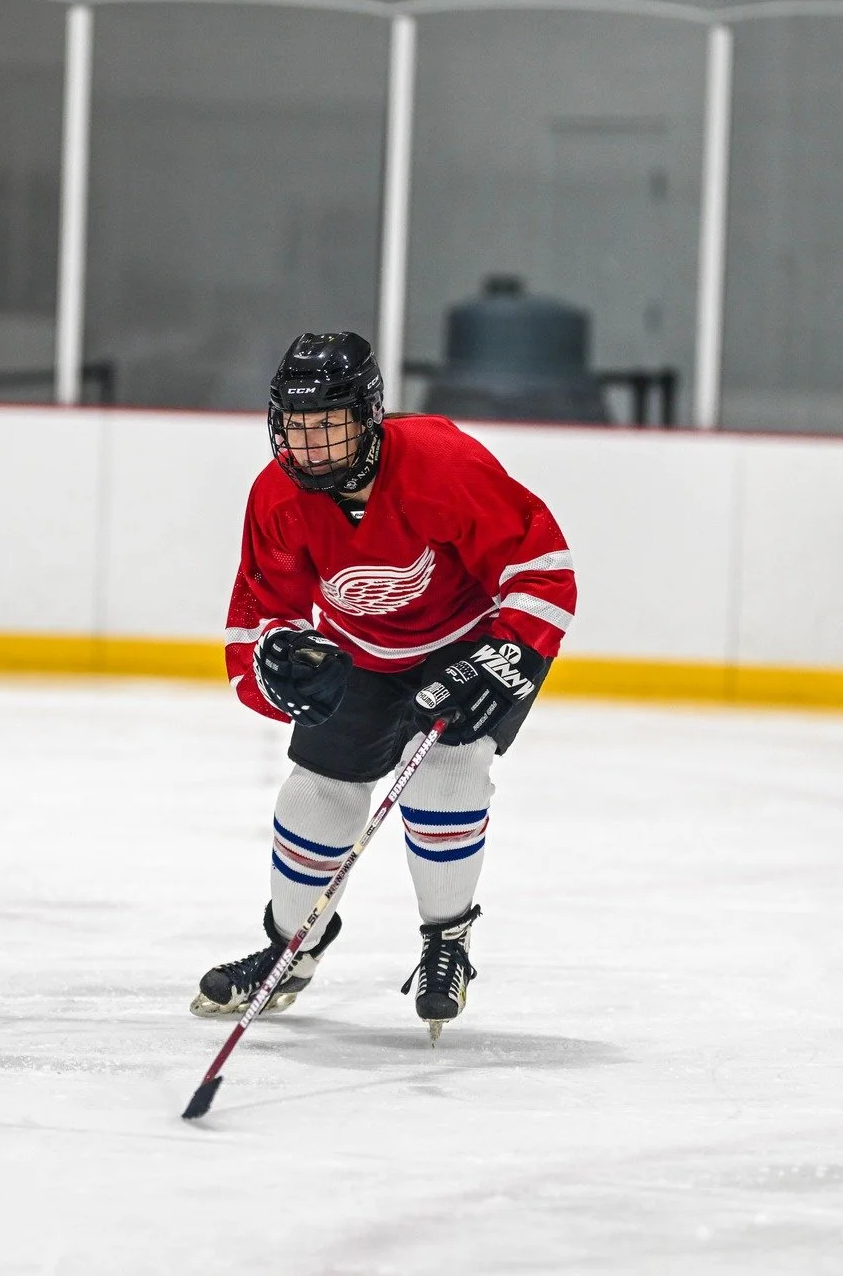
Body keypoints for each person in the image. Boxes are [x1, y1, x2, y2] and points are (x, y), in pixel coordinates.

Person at [193, 331, 575, 1035]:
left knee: (447, 767)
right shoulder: (276, 495)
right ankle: (290, 951)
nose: (309, 445)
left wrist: (505, 656)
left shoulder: (442, 462)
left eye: (328, 424)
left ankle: (447, 941)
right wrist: (277, 663)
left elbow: (542, 565)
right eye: (296, 426)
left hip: (468, 639)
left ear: (369, 417)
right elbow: (260, 607)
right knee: (315, 796)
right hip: (360, 648)